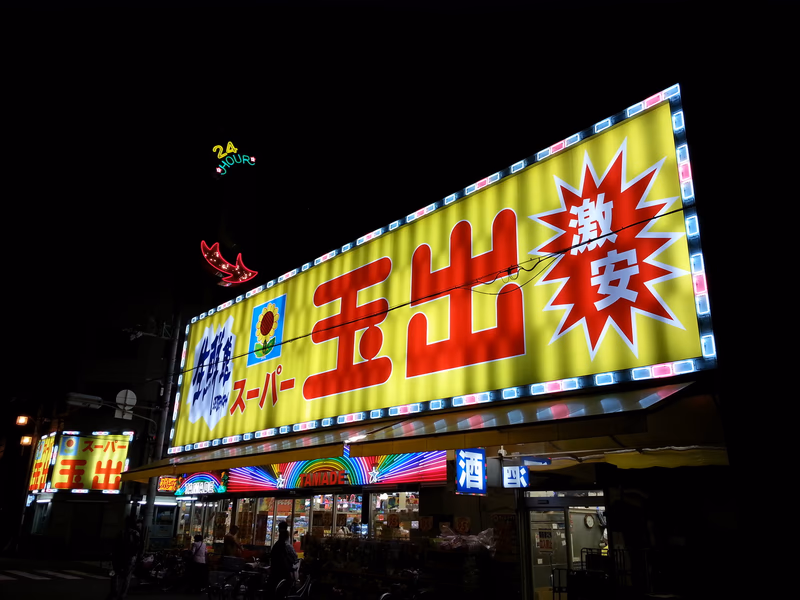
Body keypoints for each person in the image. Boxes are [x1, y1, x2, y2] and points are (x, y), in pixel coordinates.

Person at [107, 515, 142, 600]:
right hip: (130, 558)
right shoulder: (136, 533)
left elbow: (115, 545)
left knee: (115, 574)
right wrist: (137, 557)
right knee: (127, 577)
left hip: (119, 557)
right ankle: (122, 594)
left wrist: (113, 555)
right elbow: (138, 546)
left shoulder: (121, 532)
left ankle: (114, 591)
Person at [269, 521, 298, 592]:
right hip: (284, 570)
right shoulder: (287, 545)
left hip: (275, 570)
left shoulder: (277, 544)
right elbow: (295, 556)